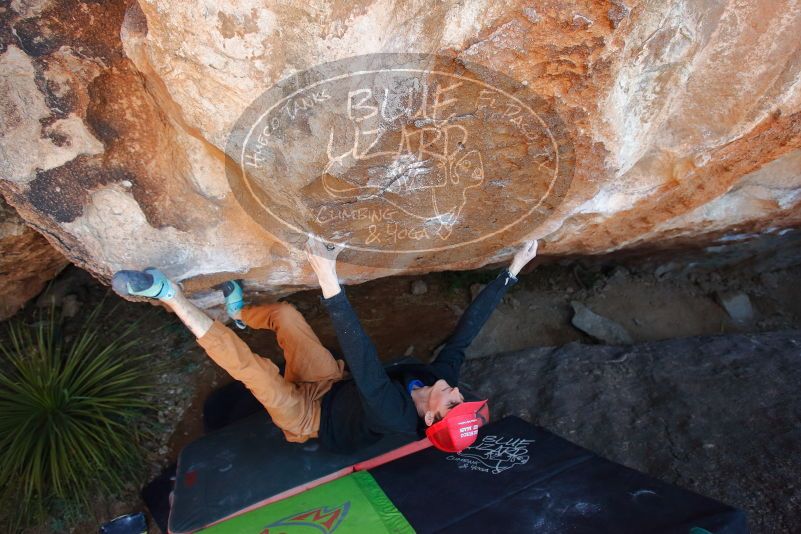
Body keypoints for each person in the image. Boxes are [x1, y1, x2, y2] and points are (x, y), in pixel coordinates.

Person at [112, 239, 539, 454]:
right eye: (463, 398)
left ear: (430, 415)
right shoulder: (437, 381)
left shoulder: (394, 415)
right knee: (286, 317)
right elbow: (467, 333)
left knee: (253, 369)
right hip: (330, 385)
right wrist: (513, 271)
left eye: (454, 404)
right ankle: (241, 316)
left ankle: (168, 294)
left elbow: (365, 360)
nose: (459, 393)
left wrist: (328, 278)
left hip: (309, 419)